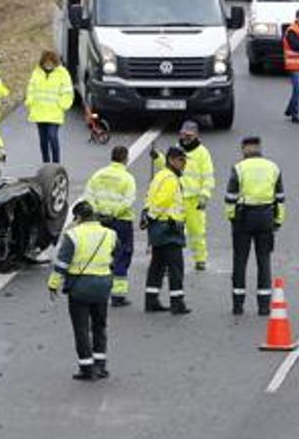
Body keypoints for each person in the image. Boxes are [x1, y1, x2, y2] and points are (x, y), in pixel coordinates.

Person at [49, 201, 117, 381]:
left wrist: (53, 285)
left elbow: (62, 264)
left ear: (78, 217)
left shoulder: (73, 235)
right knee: (99, 326)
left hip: (79, 288)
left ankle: (87, 368)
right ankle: (100, 365)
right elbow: (115, 256)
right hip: (102, 286)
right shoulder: (110, 234)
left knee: (81, 329)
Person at [225, 137, 285, 315]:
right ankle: (264, 305)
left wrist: (232, 217)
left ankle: (238, 304)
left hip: (243, 218)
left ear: (244, 149)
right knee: (264, 261)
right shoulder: (273, 167)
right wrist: (278, 220)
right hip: (266, 217)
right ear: (260, 148)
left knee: (240, 261)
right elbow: (280, 197)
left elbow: (230, 197)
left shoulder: (239, 168)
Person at [152, 121, 215, 271]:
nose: (185, 137)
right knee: (173, 231)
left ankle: (200, 259)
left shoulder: (202, 153)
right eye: (183, 134)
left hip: (194, 200)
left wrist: (204, 196)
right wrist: (157, 157)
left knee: (197, 231)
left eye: (189, 135)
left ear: (196, 135)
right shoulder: (176, 148)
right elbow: (167, 166)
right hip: (177, 198)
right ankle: (171, 259)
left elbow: (208, 177)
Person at [83, 145, 137, 307]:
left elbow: (89, 195)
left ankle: (95, 293)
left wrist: (99, 212)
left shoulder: (98, 175)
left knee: (100, 256)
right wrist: (113, 213)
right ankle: (118, 296)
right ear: (125, 158)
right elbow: (128, 201)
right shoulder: (127, 178)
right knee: (122, 256)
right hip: (121, 222)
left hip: (100, 221)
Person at [143, 145, 190, 314]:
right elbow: (163, 201)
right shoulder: (171, 178)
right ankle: (177, 302)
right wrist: (152, 216)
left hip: (157, 228)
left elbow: (150, 197)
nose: (183, 164)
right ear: (171, 160)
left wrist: (147, 216)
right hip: (169, 228)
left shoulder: (160, 175)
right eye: (181, 160)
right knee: (176, 267)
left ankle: (151, 300)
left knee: (157, 265)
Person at [24, 50, 74, 164]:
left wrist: (63, 104)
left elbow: (67, 91)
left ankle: (56, 163)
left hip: (54, 113)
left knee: (52, 136)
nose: (48, 64)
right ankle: (46, 163)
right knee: (43, 140)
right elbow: (31, 88)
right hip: (39, 112)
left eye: (51, 62)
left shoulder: (62, 73)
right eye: (46, 62)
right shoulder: (37, 72)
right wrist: (30, 101)